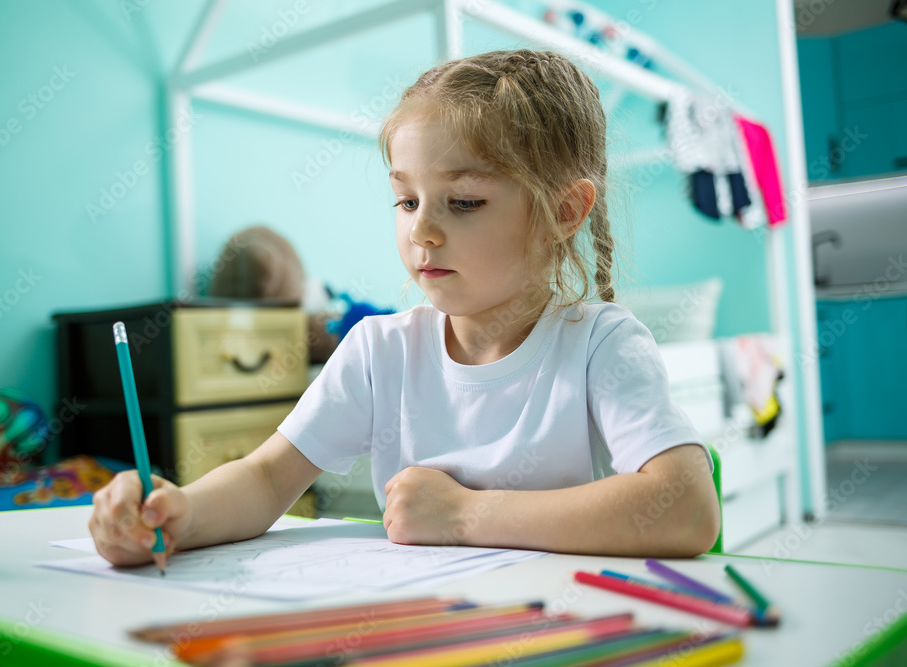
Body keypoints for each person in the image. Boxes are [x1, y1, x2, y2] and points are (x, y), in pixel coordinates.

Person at [89, 49, 720, 566]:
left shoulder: (600, 345)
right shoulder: (377, 352)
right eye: (407, 201)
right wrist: (179, 515)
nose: (423, 232)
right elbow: (264, 482)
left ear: (563, 211)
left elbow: (687, 509)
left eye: (464, 201)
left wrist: (467, 515)